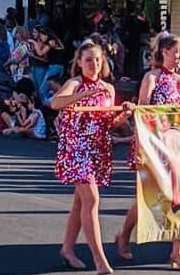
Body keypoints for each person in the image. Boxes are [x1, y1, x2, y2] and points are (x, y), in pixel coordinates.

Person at [117, 33, 180, 270]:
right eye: (176, 53)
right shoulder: (152, 77)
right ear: (164, 52)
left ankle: (177, 251)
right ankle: (124, 234)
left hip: (176, 144)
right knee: (147, 196)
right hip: (154, 144)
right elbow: (142, 111)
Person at [52, 41, 133, 275]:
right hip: (77, 148)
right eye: (88, 59)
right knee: (92, 201)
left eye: (97, 60)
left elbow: (108, 123)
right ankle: (100, 260)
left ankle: (67, 249)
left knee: (81, 202)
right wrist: (83, 94)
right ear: (79, 62)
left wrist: (124, 113)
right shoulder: (75, 83)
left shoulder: (107, 88)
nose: (94, 64)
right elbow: (55, 103)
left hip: (97, 148)